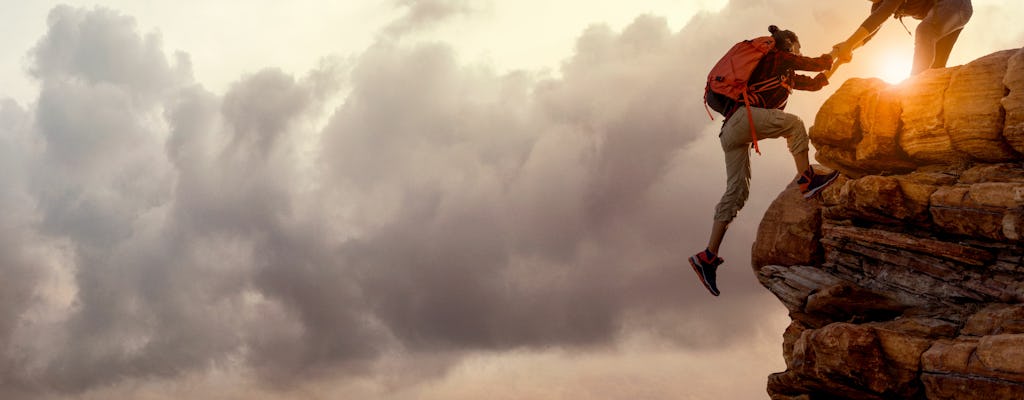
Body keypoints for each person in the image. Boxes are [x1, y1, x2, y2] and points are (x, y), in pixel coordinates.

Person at [690, 26, 840, 297]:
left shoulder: (783, 74)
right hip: (744, 120)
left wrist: (836, 63)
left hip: (731, 132)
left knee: (736, 194)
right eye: (797, 48)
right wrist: (836, 54)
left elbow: (816, 81)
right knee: (794, 125)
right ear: (789, 46)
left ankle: (707, 257)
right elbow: (817, 63)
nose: (799, 53)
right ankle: (807, 180)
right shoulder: (777, 58)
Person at [832, 0, 973, 75]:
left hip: (956, 5)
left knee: (925, 31)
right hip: (947, 16)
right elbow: (869, 34)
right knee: (935, 72)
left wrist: (849, 44)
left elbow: (880, 16)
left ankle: (914, 86)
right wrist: (846, 48)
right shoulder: (878, 5)